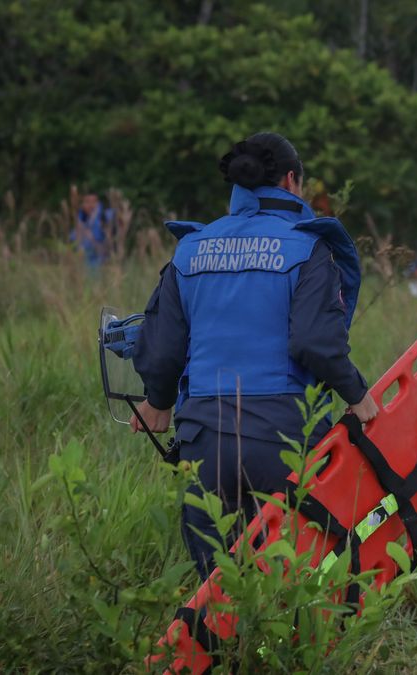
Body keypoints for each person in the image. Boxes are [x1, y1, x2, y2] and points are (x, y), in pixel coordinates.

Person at [130, 132, 380, 581]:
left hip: (204, 436)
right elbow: (313, 342)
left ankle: (218, 649)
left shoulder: (192, 248)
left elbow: (165, 346)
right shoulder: (307, 246)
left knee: (217, 583)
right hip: (284, 436)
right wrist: (357, 394)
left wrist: (157, 401)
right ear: (291, 181)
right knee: (295, 571)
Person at [70, 191, 114, 266]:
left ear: (98, 203)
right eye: (87, 202)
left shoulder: (106, 216)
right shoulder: (80, 221)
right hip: (81, 266)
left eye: (94, 201)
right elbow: (73, 244)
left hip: (102, 265)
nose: (91, 205)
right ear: (82, 205)